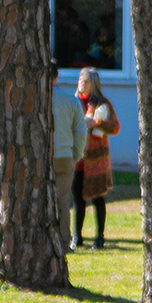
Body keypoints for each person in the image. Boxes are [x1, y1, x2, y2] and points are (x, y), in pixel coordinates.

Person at [75, 67, 120, 250]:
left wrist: (97, 123)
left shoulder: (103, 103)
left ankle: (100, 238)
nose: (81, 83)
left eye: (85, 81)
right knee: (78, 200)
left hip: (97, 160)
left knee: (98, 199)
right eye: (80, 80)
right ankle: (77, 237)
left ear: (93, 83)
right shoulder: (75, 102)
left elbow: (115, 127)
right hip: (78, 158)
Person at [51, 74, 85, 251]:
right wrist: (76, 155)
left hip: (41, 157)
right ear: (57, 76)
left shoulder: (36, 97)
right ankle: (64, 242)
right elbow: (81, 130)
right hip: (65, 155)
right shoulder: (70, 100)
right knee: (63, 200)